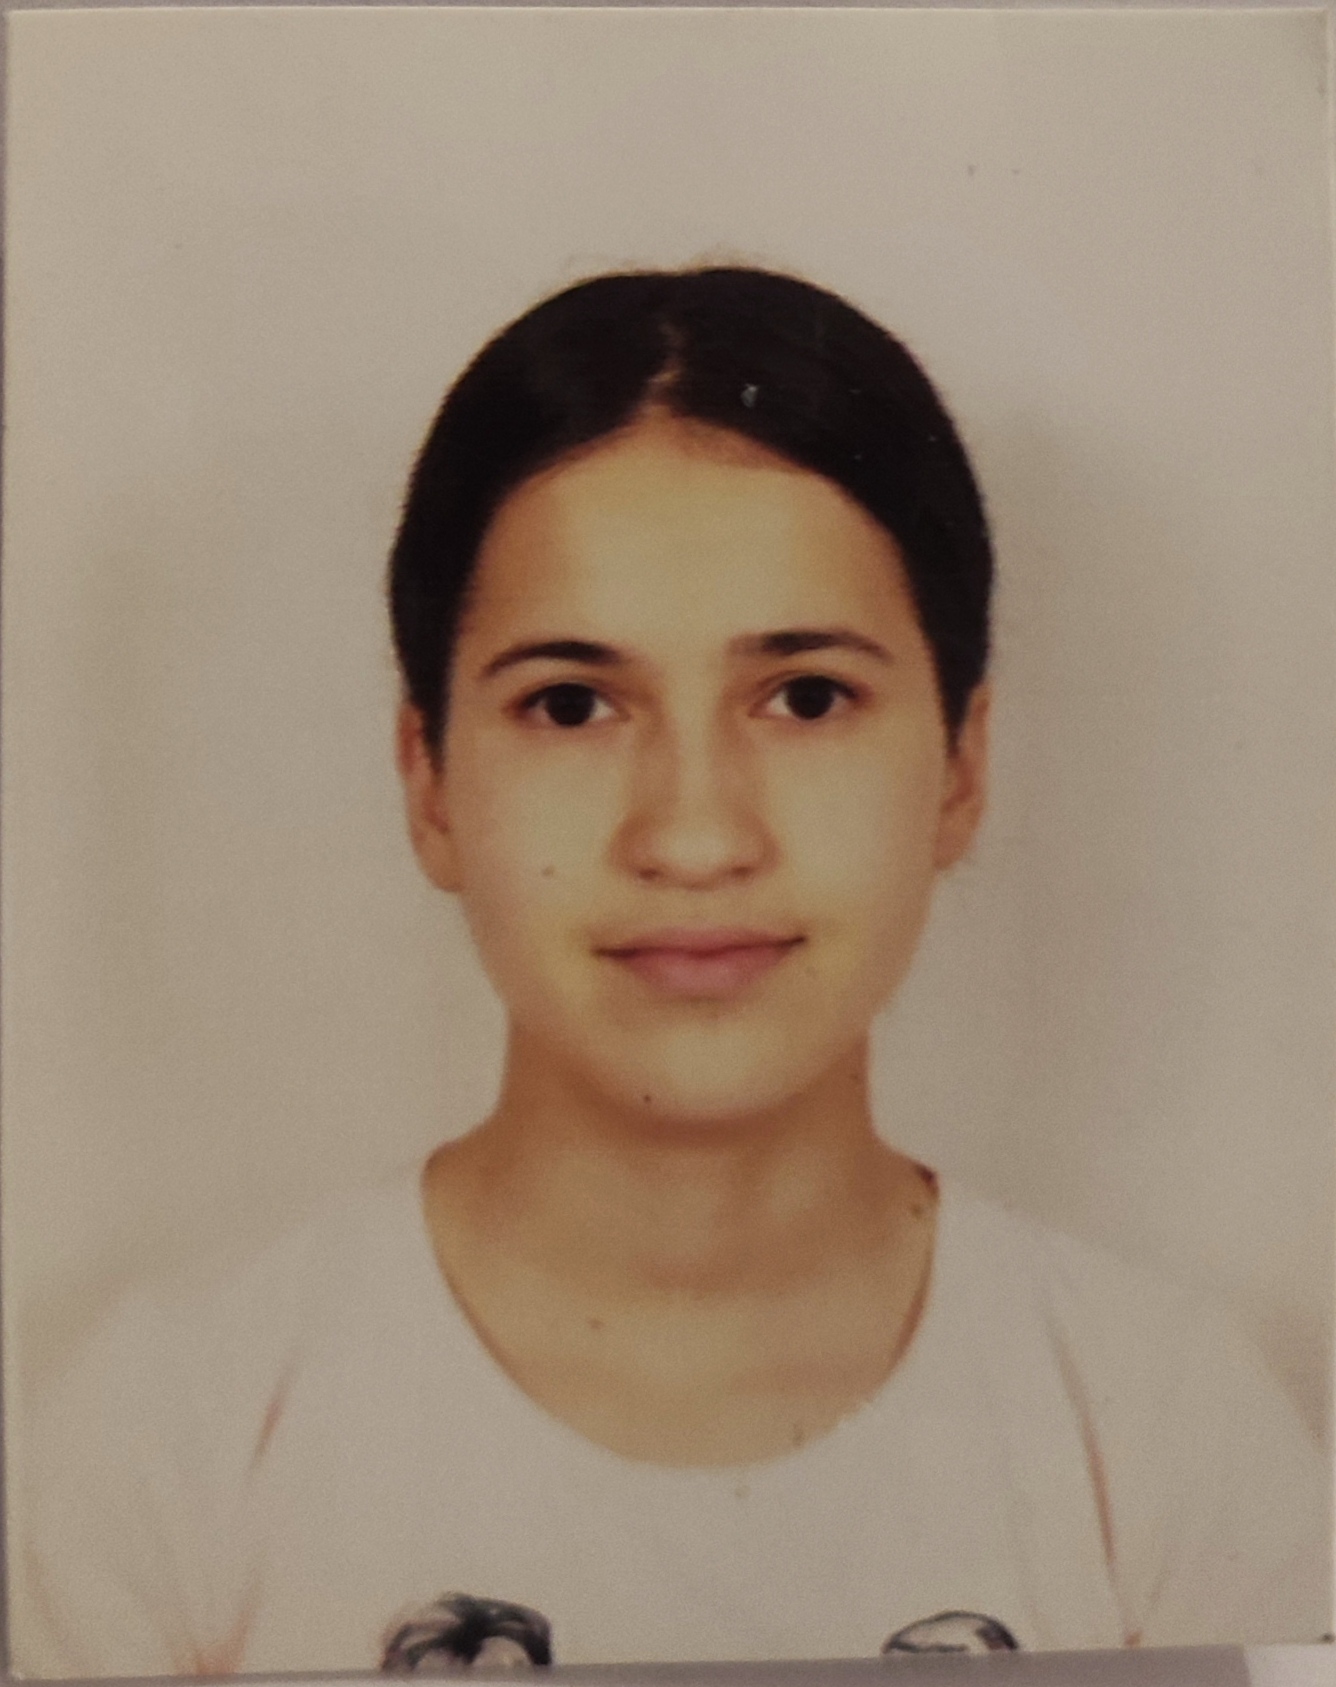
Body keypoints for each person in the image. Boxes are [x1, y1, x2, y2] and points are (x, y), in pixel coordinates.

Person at [18, 267, 1327, 1678]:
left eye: (807, 697)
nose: (695, 836)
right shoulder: (171, 1441)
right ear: (430, 782)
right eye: (571, 704)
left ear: (960, 765)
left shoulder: (1165, 1436)